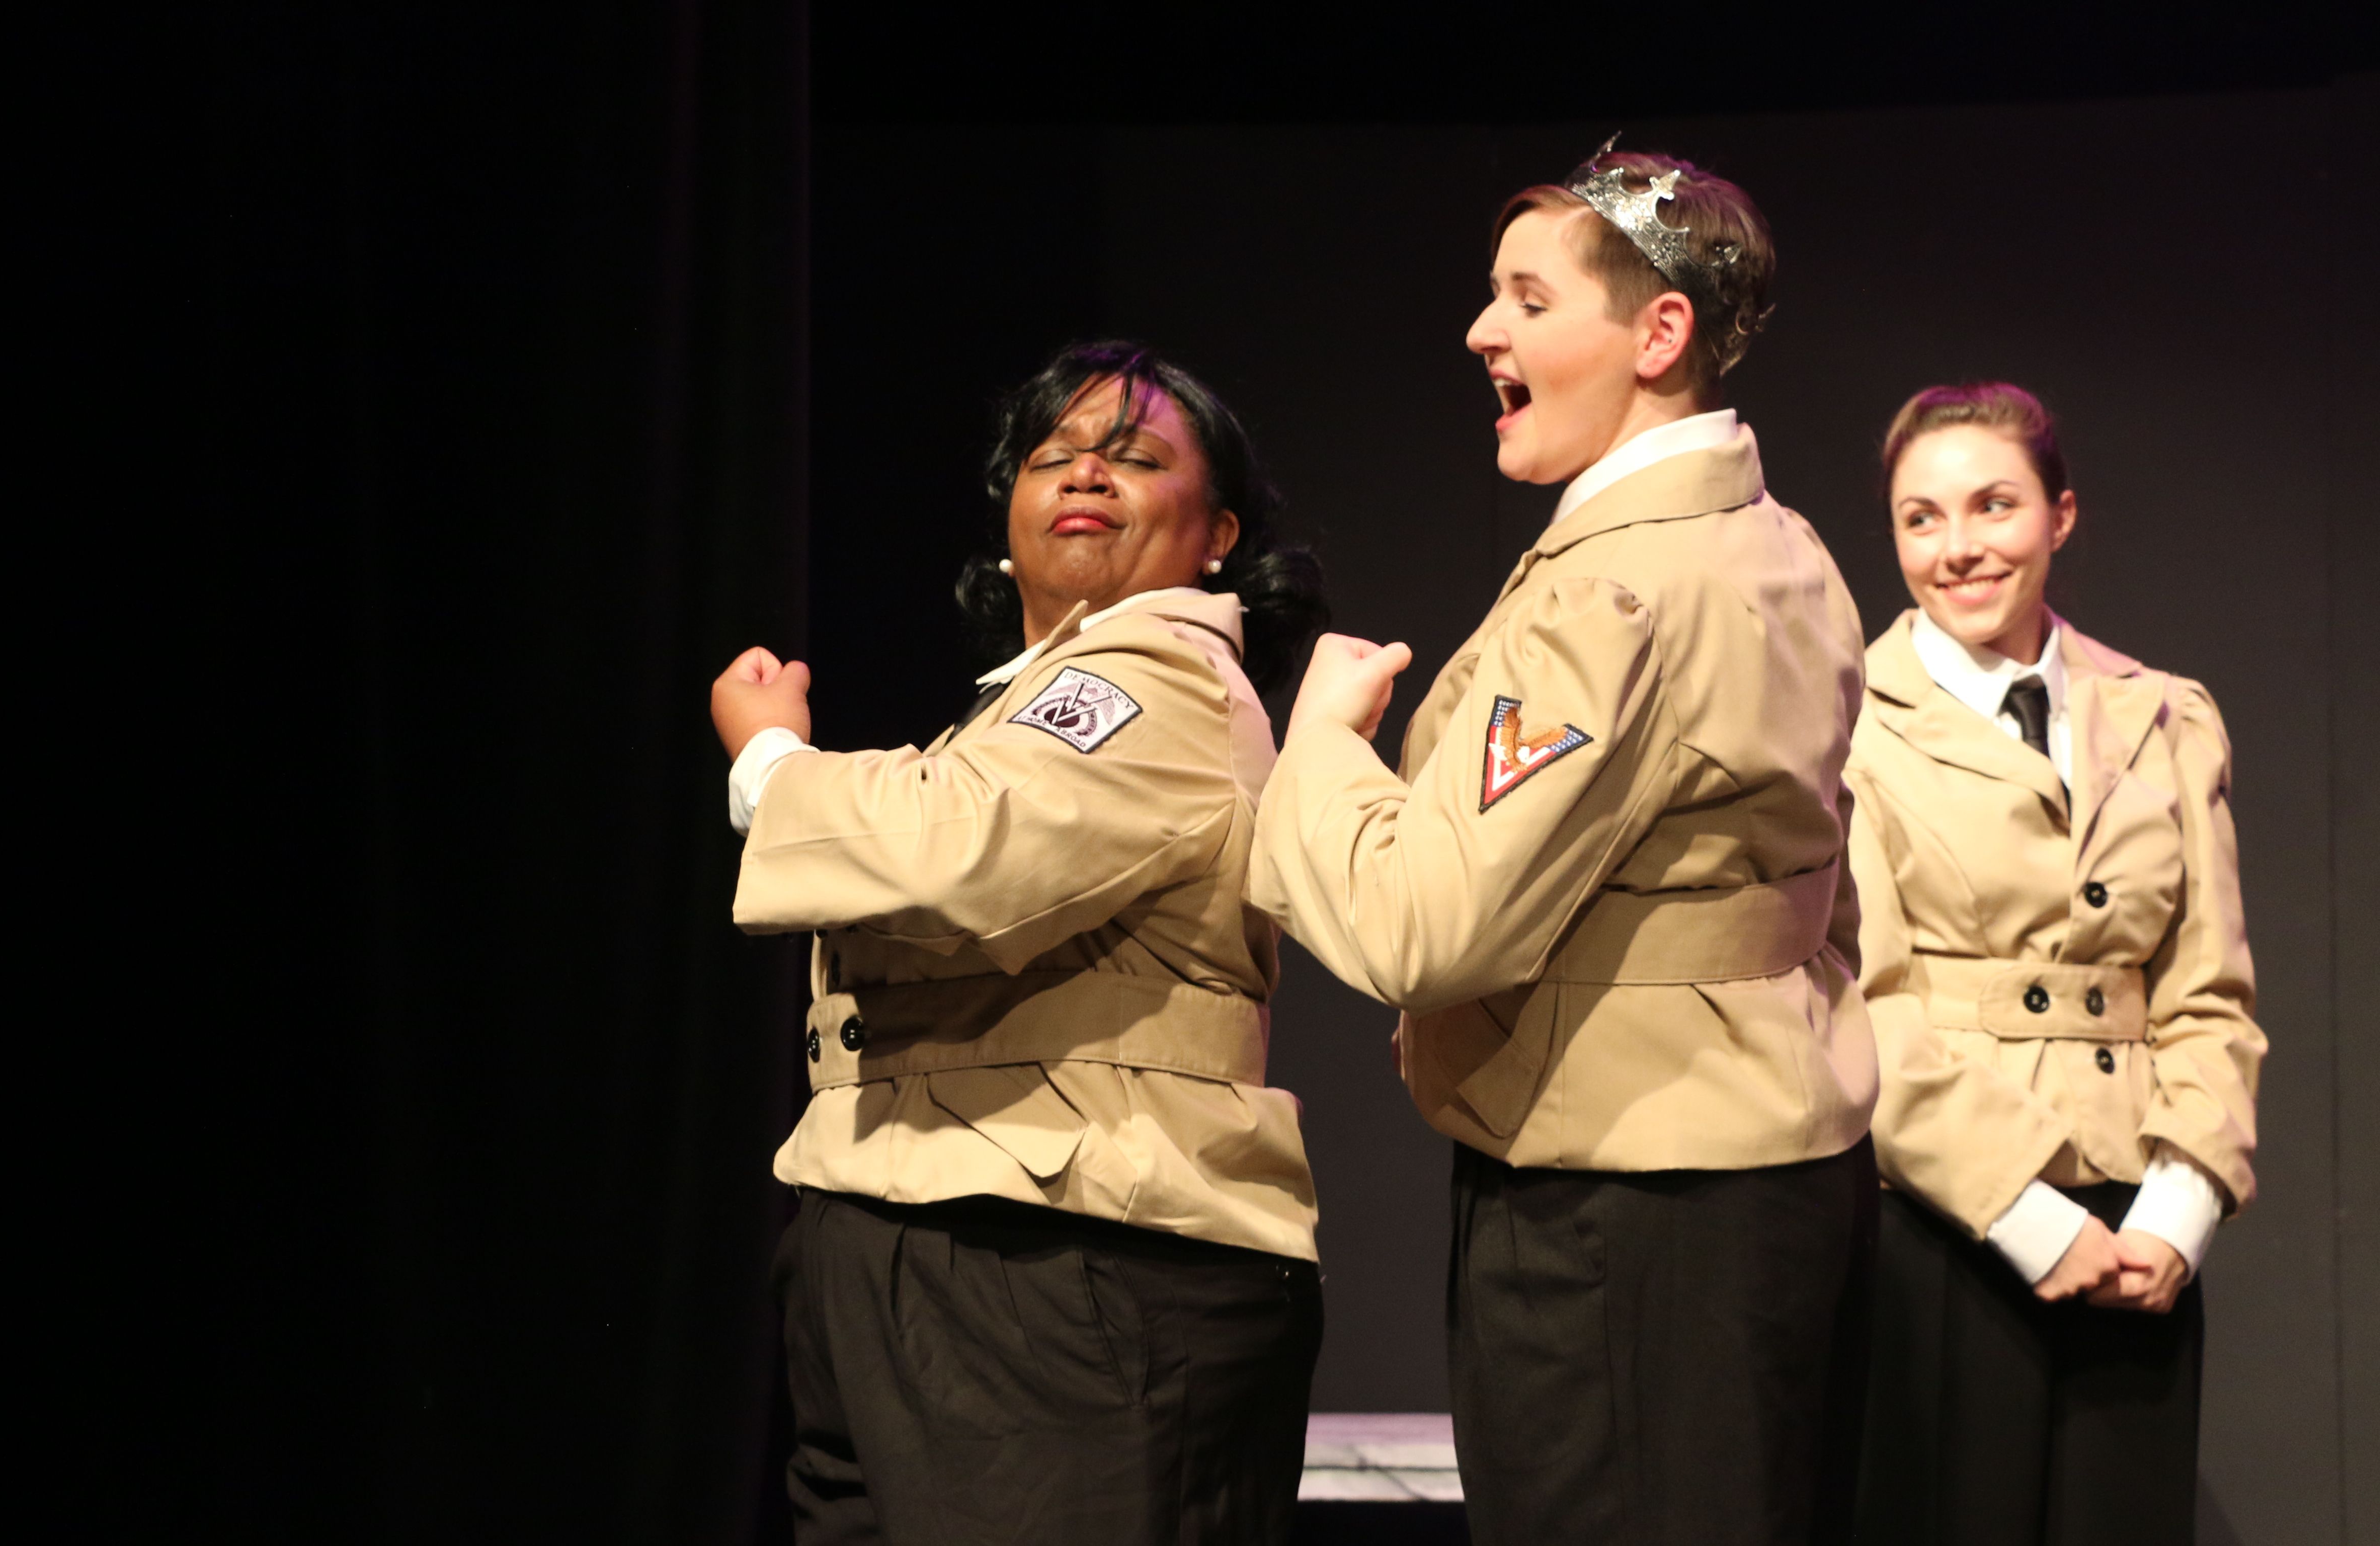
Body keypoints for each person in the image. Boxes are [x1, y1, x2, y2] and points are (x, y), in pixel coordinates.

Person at [1248, 144, 1877, 1545]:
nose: (1485, 331)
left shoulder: (1618, 588)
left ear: (1659, 333)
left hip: (1623, 1198)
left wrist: (1327, 754)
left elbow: (1425, 926)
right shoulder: (1786, 548)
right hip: (1768, 1170)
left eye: (1527, 300)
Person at [710, 341, 1332, 1545]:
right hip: (916, 1241)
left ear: (1219, 536)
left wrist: (769, 760)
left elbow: (959, 853)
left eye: (1136, 458)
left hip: (1063, 1264)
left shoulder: (1160, 672)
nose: (1085, 473)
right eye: (1053, 456)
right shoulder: (1026, 701)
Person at [1844, 382, 2264, 1545]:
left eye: (1993, 507)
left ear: (2060, 514)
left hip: (2136, 1238)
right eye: (1920, 519)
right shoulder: (1851, 727)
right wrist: (2030, 1218)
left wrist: (2177, 1215)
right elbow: (1865, 1012)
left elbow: (2209, 994)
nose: (1958, 547)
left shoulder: (2163, 716)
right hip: (1946, 1227)